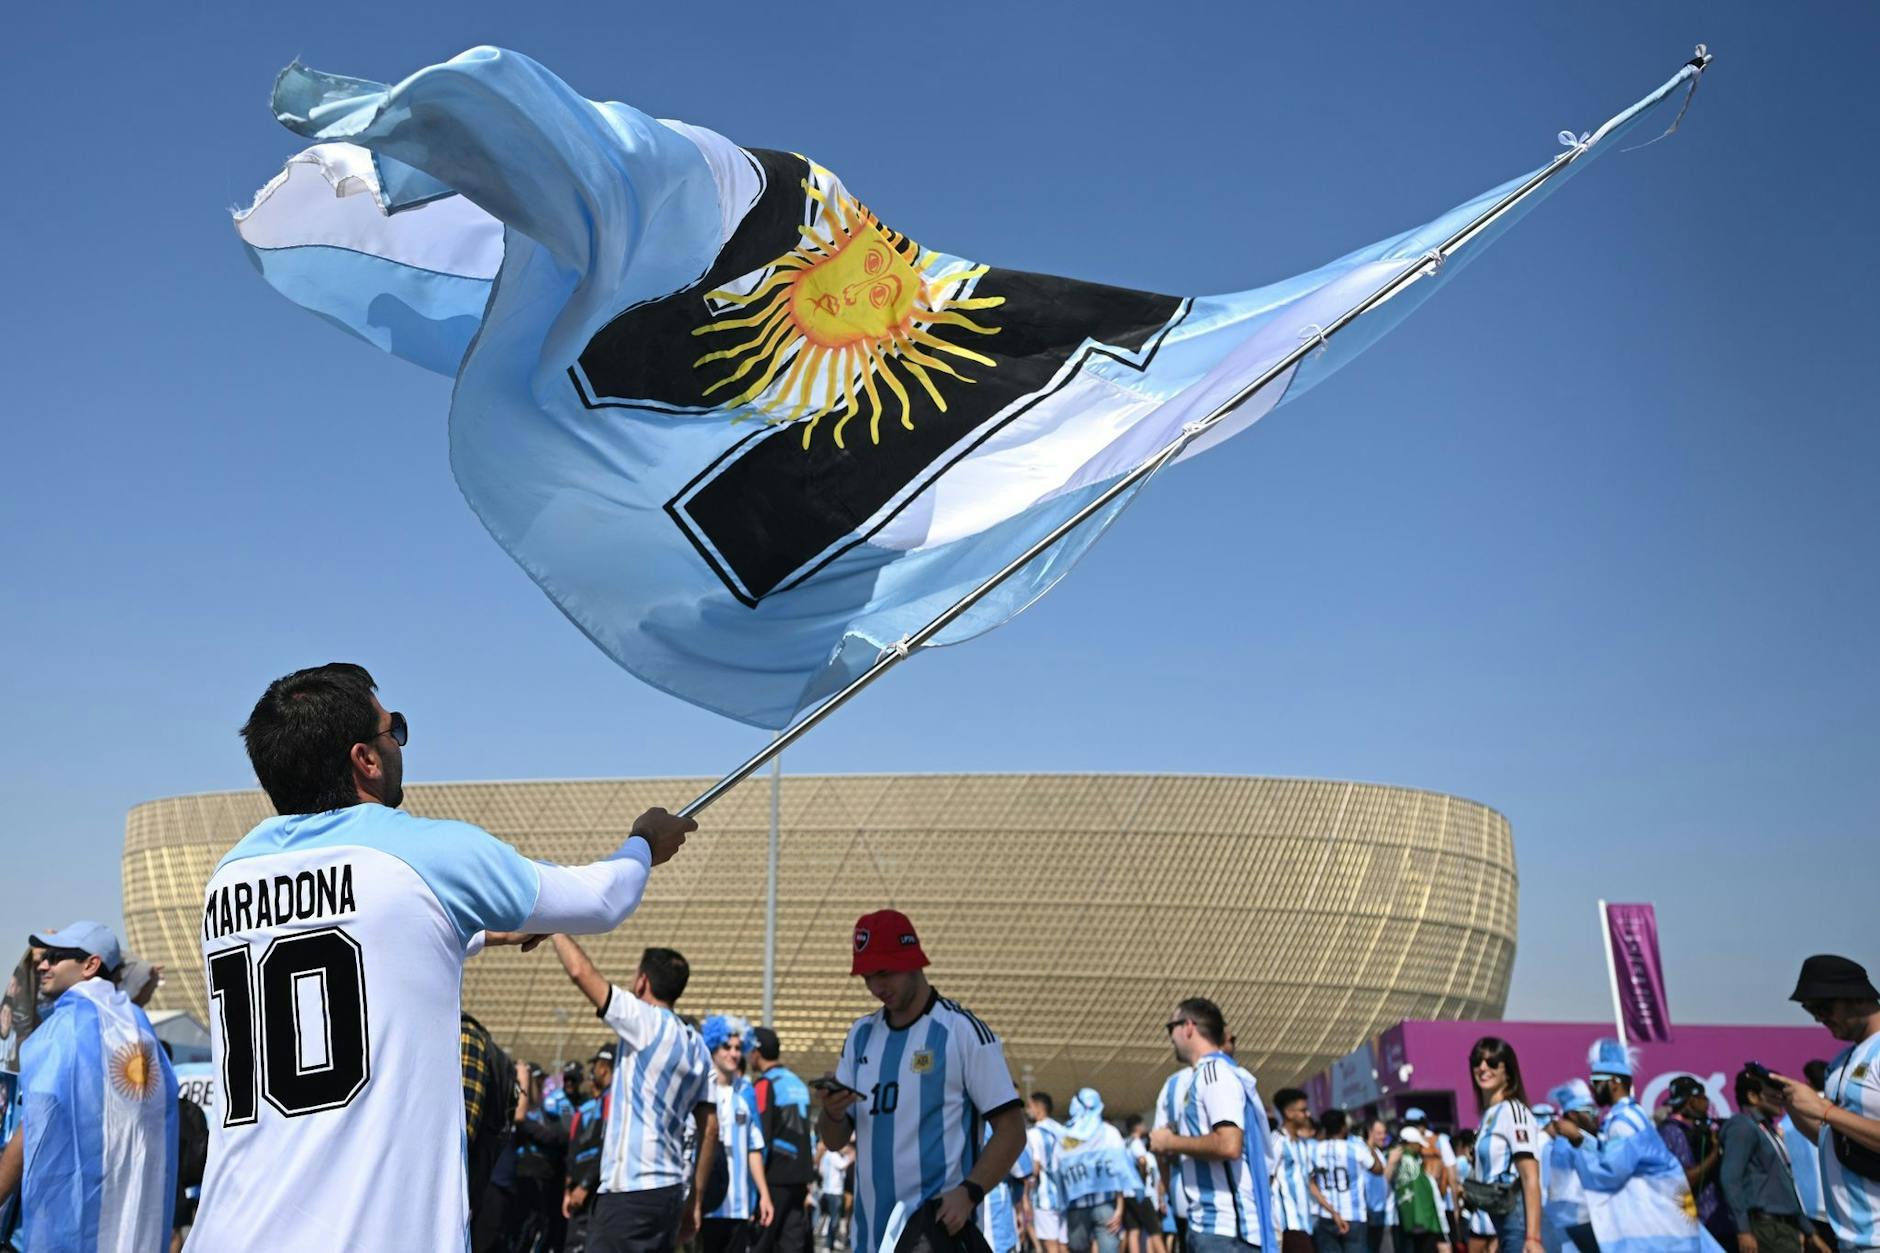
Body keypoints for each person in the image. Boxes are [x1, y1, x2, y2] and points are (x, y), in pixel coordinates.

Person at [188, 662, 695, 1252]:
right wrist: (643, 842)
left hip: (228, 1229)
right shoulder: (425, 852)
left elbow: (374, 941)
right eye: (394, 730)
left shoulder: (228, 878)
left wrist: (486, 932)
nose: (399, 744)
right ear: (365, 759)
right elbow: (602, 899)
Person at [815, 910, 1026, 1253]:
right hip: (869, 1240)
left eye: (884, 973)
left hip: (937, 1237)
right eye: (867, 977)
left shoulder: (961, 1031)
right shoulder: (860, 1036)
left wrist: (969, 1192)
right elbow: (835, 1140)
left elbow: (1012, 1130)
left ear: (912, 959)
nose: (876, 987)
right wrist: (832, 1112)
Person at [0, 921, 178, 1249]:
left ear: (91, 965)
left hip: (65, 1230)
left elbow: (37, 1122)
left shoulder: (65, 1028)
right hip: (135, 1230)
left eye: (55, 957)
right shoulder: (139, 1028)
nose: (43, 965)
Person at [541, 935, 717, 1253]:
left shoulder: (643, 1020)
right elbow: (710, 1127)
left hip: (630, 1189)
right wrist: (695, 1199)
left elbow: (581, 972)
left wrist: (554, 928)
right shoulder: (697, 1046)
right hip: (670, 1190)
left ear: (642, 982)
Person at [1549, 1037, 1708, 1253]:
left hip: (1660, 1228)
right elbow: (1610, 1155)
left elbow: (1611, 1172)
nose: (1593, 1089)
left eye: (1597, 1081)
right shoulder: (1628, 1115)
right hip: (1661, 1225)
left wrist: (1577, 1140)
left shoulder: (1624, 1122)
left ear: (1614, 1082)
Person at [1147, 997, 1277, 1253]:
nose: (1170, 1037)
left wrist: (1170, 1142)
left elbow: (1229, 1144)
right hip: (1212, 1227)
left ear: (1188, 1027)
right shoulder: (1209, 1074)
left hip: (1226, 1231)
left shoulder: (1215, 1074)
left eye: (1170, 1027)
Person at [1773, 955, 1880, 1253]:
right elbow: (1833, 1141)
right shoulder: (1840, 1063)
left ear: (1858, 998)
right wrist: (1794, 1105)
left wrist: (1826, 1111)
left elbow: (1832, 1118)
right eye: (1811, 1010)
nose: (1819, 1018)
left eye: (1823, 1007)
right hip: (1851, 1240)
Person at [1720, 1066, 1828, 1253]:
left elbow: (1785, 1185)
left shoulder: (1767, 1130)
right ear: (1753, 1096)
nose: (1781, 1097)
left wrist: (1809, 1231)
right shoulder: (1742, 1126)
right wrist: (1743, 1230)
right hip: (1766, 1229)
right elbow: (1730, 1179)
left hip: (1784, 1228)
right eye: (1773, 1092)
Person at [702, 1016, 777, 1253]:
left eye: (737, 1048)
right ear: (713, 1048)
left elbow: (754, 1148)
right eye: (727, 1047)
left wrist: (764, 1194)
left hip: (738, 1206)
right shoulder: (700, 1088)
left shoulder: (746, 1092)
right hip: (704, 1205)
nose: (733, 1053)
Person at [1468, 1037, 1544, 1253]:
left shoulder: (1513, 1111)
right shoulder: (1489, 1115)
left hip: (1518, 1218)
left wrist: (1533, 1237)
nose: (1483, 1068)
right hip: (1499, 1218)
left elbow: (1530, 1176)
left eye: (1492, 1063)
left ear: (1507, 1072)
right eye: (1477, 1061)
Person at [751, 1026, 818, 1253]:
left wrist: (756, 1185)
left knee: (762, 1242)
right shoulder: (797, 1082)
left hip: (774, 1177)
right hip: (800, 1178)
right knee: (792, 1244)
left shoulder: (765, 1084)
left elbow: (760, 1136)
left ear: (756, 1052)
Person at [1054, 1088, 1138, 1253]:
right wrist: (1120, 1208)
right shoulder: (1109, 1132)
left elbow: (1058, 1175)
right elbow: (1120, 1171)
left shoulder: (1065, 1137)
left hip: (1076, 1207)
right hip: (1106, 1205)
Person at [1661, 1076, 1735, 1250]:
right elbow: (1684, 1181)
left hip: (1719, 1223)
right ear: (1692, 1101)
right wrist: (1715, 1153)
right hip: (1698, 1228)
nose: (1707, 1102)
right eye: (1703, 1097)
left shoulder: (1701, 1130)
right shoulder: (1673, 1131)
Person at [567, 1043, 619, 1251]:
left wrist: (585, 1185)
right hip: (585, 1187)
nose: (593, 1071)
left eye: (595, 1065)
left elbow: (607, 1146)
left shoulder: (612, 1098)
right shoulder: (601, 1100)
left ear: (604, 1068)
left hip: (594, 1189)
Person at [1269, 1089, 1331, 1253]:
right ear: (1289, 1113)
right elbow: (1266, 1180)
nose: (1307, 1114)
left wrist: (1333, 1212)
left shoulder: (1302, 1144)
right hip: (1287, 1224)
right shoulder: (1276, 1141)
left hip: (1305, 1223)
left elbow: (1310, 1183)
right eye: (1303, 1110)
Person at [1542, 1082, 1599, 1253]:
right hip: (1575, 1224)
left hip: (1574, 1224)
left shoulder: (1580, 1140)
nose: (1595, 1116)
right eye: (1589, 1111)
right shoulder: (1567, 1144)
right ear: (1573, 1114)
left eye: (1595, 1111)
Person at [1389, 1125, 1448, 1253]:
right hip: (1418, 1219)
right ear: (1410, 1144)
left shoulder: (1413, 1160)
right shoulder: (1405, 1160)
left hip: (1413, 1219)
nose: (1421, 1148)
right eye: (1418, 1144)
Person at [1031, 1093, 1069, 1253]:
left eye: (1030, 1106)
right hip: (1064, 1195)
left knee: (1050, 1245)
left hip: (1045, 1196)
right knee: (1062, 1245)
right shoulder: (1061, 1130)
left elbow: (1035, 1167)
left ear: (1039, 1108)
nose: (1028, 1110)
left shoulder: (1034, 1133)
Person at [1360, 1120, 1395, 1253]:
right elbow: (1383, 1178)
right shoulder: (1363, 1151)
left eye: (1384, 1133)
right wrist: (1391, 1163)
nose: (1383, 1136)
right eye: (1379, 1133)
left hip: (1383, 1212)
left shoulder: (1378, 1151)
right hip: (1373, 1213)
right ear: (1369, 1133)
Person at [818, 1141, 854, 1249]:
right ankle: (828, 1245)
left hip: (828, 1190)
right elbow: (842, 1165)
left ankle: (831, 1242)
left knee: (832, 1218)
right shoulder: (833, 1155)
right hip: (834, 1191)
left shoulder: (826, 1155)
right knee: (834, 1220)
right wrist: (851, 1157)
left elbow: (821, 1171)